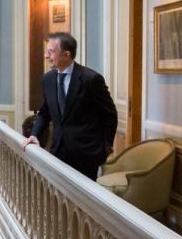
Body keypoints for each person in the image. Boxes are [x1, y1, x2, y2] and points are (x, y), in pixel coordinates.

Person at [21, 32, 117, 180]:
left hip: (86, 154)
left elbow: (109, 115)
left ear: (66, 54)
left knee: (83, 198)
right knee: (57, 194)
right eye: (46, 51)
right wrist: (34, 134)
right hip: (58, 150)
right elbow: (45, 112)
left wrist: (105, 148)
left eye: (51, 52)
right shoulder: (48, 79)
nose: (46, 56)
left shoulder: (91, 79)